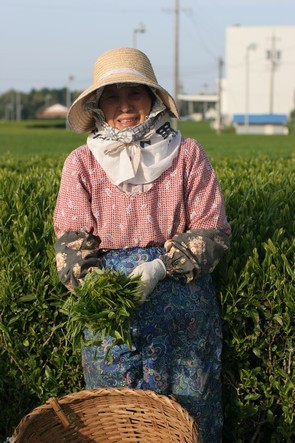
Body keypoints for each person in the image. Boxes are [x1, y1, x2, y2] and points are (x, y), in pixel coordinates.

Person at [54, 47, 231, 442]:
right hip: (114, 309)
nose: (124, 106)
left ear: (152, 99)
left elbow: (213, 231)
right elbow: (71, 241)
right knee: (118, 413)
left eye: (134, 92)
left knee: (191, 404)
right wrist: (97, 286)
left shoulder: (188, 155)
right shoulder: (81, 163)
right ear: (99, 106)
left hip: (183, 300)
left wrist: (160, 267)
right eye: (112, 96)